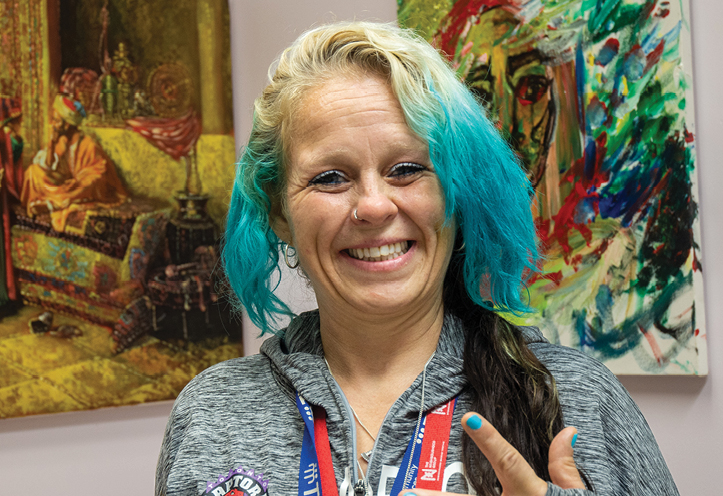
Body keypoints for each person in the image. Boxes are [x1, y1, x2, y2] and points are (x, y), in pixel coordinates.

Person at [156, 22, 678, 496]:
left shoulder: (576, 399)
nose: (375, 206)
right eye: (330, 177)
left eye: (406, 168)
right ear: (278, 214)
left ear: (457, 194)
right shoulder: (212, 414)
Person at [21, 94, 128, 232]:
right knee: (33, 171)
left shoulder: (88, 143)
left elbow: (99, 172)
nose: (53, 124)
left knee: (86, 185)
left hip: (85, 184)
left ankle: (55, 202)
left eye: (56, 121)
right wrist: (52, 143)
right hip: (67, 184)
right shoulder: (61, 141)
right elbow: (48, 165)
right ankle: (53, 201)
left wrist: (78, 182)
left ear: (67, 124)